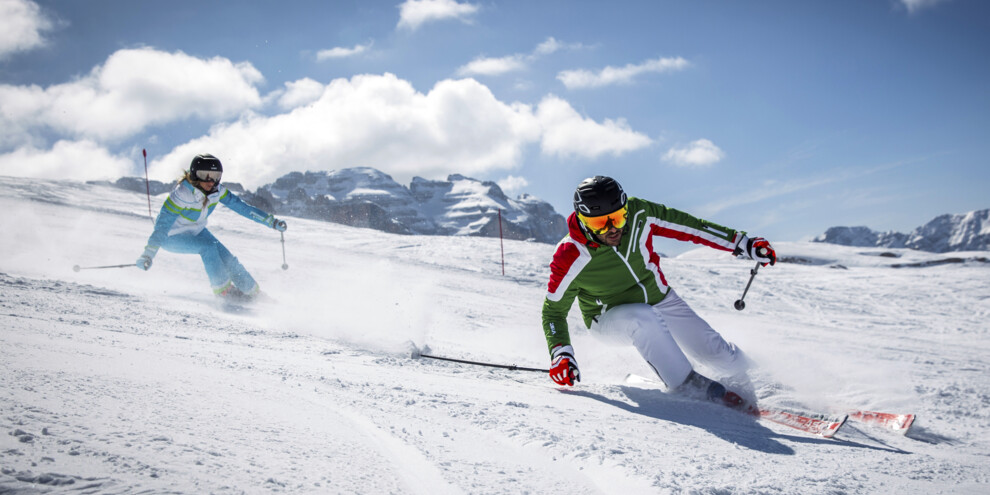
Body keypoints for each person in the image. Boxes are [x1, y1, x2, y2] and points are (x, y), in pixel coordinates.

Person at [541, 176, 776, 405]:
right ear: (583, 220)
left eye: (618, 218)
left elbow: (691, 227)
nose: (612, 229)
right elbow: (553, 312)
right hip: (607, 319)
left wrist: (742, 243)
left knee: (721, 354)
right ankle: (687, 384)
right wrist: (561, 353)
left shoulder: (640, 214)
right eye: (599, 223)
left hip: (660, 299)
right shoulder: (570, 254)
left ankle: (769, 384)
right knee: (643, 318)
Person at [136, 153, 288, 301]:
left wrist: (271, 221)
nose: (211, 181)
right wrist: (148, 254)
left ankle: (254, 294)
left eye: (216, 176)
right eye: (205, 175)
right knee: (208, 248)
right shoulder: (182, 194)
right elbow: (161, 226)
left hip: (197, 231)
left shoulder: (217, 191)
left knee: (229, 260)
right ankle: (223, 292)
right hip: (171, 237)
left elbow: (242, 207)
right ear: (195, 174)